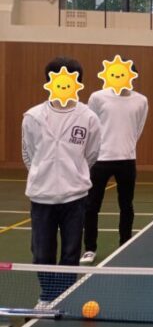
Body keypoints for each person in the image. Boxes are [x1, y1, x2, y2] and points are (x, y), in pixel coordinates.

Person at [22, 57, 101, 307]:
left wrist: (72, 174)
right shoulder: (33, 116)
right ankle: (47, 296)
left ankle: (62, 298)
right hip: (41, 197)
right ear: (49, 82)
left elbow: (91, 154)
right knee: (41, 253)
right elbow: (28, 154)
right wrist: (43, 174)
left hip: (75, 198)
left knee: (70, 253)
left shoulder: (89, 117)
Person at [80, 61, 148, 265]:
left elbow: (138, 129)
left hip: (127, 161)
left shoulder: (141, 100)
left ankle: (125, 244)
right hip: (100, 160)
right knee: (92, 206)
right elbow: (90, 124)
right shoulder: (97, 97)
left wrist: (126, 147)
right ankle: (90, 248)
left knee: (126, 205)